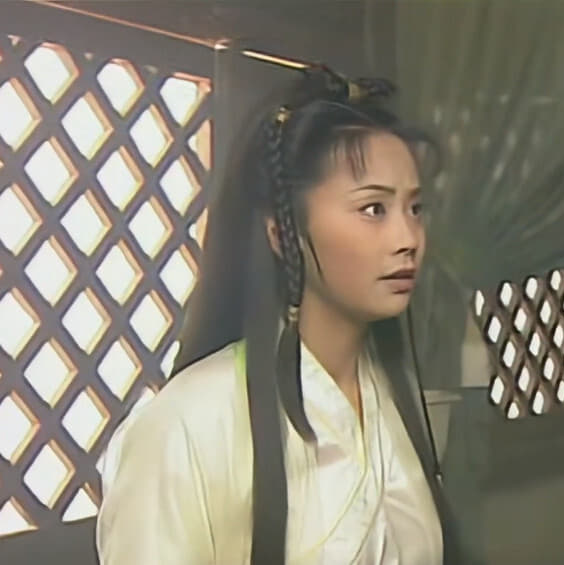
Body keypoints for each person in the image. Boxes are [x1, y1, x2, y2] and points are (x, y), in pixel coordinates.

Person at [96, 65, 459, 564]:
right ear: (280, 233)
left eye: (414, 209)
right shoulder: (185, 424)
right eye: (373, 209)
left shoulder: (393, 396)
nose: (408, 239)